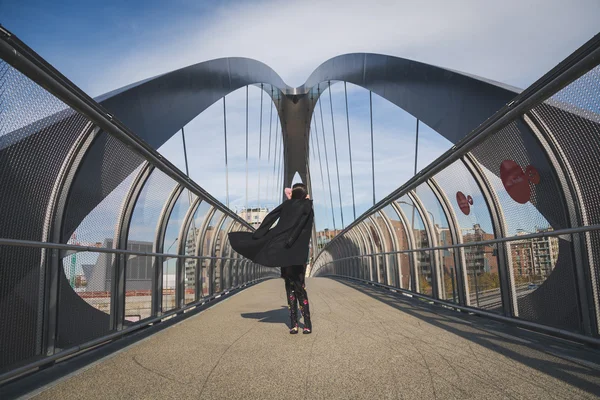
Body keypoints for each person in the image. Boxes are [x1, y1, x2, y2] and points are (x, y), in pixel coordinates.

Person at [228, 183, 314, 334]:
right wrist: (304, 200)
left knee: (289, 286)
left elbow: (270, 217)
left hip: (283, 250)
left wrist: (258, 235)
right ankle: (306, 324)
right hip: (298, 254)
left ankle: (293, 324)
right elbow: (303, 227)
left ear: (293, 194)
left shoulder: (287, 205)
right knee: (300, 286)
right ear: (305, 195)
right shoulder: (308, 208)